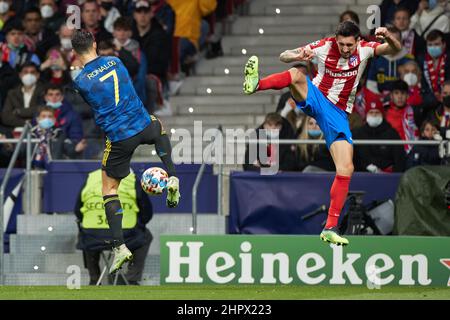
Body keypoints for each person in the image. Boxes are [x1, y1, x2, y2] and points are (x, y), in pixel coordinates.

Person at [243, 21, 402, 245]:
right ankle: (255, 83)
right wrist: (301, 54)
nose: (345, 49)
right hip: (317, 97)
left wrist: (388, 36)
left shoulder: (365, 49)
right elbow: (284, 56)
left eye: (349, 44)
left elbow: (395, 49)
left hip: (337, 115)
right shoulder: (325, 46)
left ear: (357, 41)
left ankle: (330, 228)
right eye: (341, 44)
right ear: (335, 39)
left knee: (346, 167)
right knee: (296, 74)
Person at [71, 29, 180, 274]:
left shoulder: (80, 81)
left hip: (120, 138)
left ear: (75, 53)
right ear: (95, 44)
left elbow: (91, 104)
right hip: (142, 124)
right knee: (159, 127)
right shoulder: (116, 61)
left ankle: (120, 246)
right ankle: (171, 174)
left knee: (109, 189)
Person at [74, 168, 153, 285]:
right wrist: (139, 224)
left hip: (93, 238)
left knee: (86, 232)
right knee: (146, 236)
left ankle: (94, 277)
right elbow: (146, 212)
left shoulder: (91, 177)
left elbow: (78, 210)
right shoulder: (132, 179)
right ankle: (132, 278)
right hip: (126, 237)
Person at [352, 100, 406, 173]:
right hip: (362, 176)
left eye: (377, 112)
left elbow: (399, 158)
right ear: (366, 115)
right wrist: (366, 166)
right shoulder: (357, 134)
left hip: (387, 177)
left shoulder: (392, 134)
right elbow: (354, 158)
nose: (374, 115)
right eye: (371, 112)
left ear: (382, 114)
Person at [1, 62, 44, 130]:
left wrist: (18, 112)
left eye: (32, 72)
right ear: (20, 75)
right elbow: (6, 117)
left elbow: (41, 110)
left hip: (39, 130)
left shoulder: (44, 91)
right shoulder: (12, 93)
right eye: (25, 72)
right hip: (15, 132)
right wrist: (27, 122)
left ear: (38, 75)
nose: (29, 75)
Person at [384, 80, 419, 153]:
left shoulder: (414, 111)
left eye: (403, 93)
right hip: (389, 151)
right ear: (391, 95)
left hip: (411, 152)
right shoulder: (384, 111)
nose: (400, 97)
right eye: (396, 93)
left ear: (407, 96)